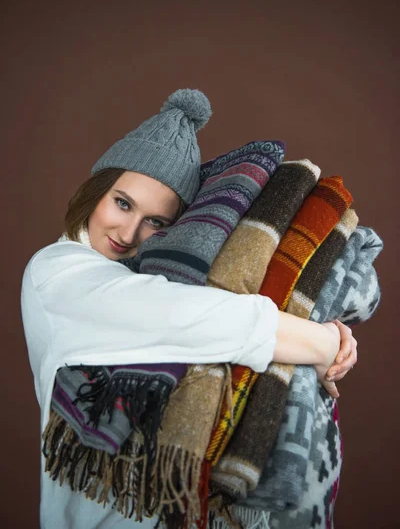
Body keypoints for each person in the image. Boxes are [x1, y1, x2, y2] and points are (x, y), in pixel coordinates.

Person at [21, 89, 357, 529]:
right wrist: (321, 340)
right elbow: (191, 315)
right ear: (95, 192)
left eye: (156, 222)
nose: (129, 231)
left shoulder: (142, 274)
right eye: (122, 203)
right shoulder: (55, 272)